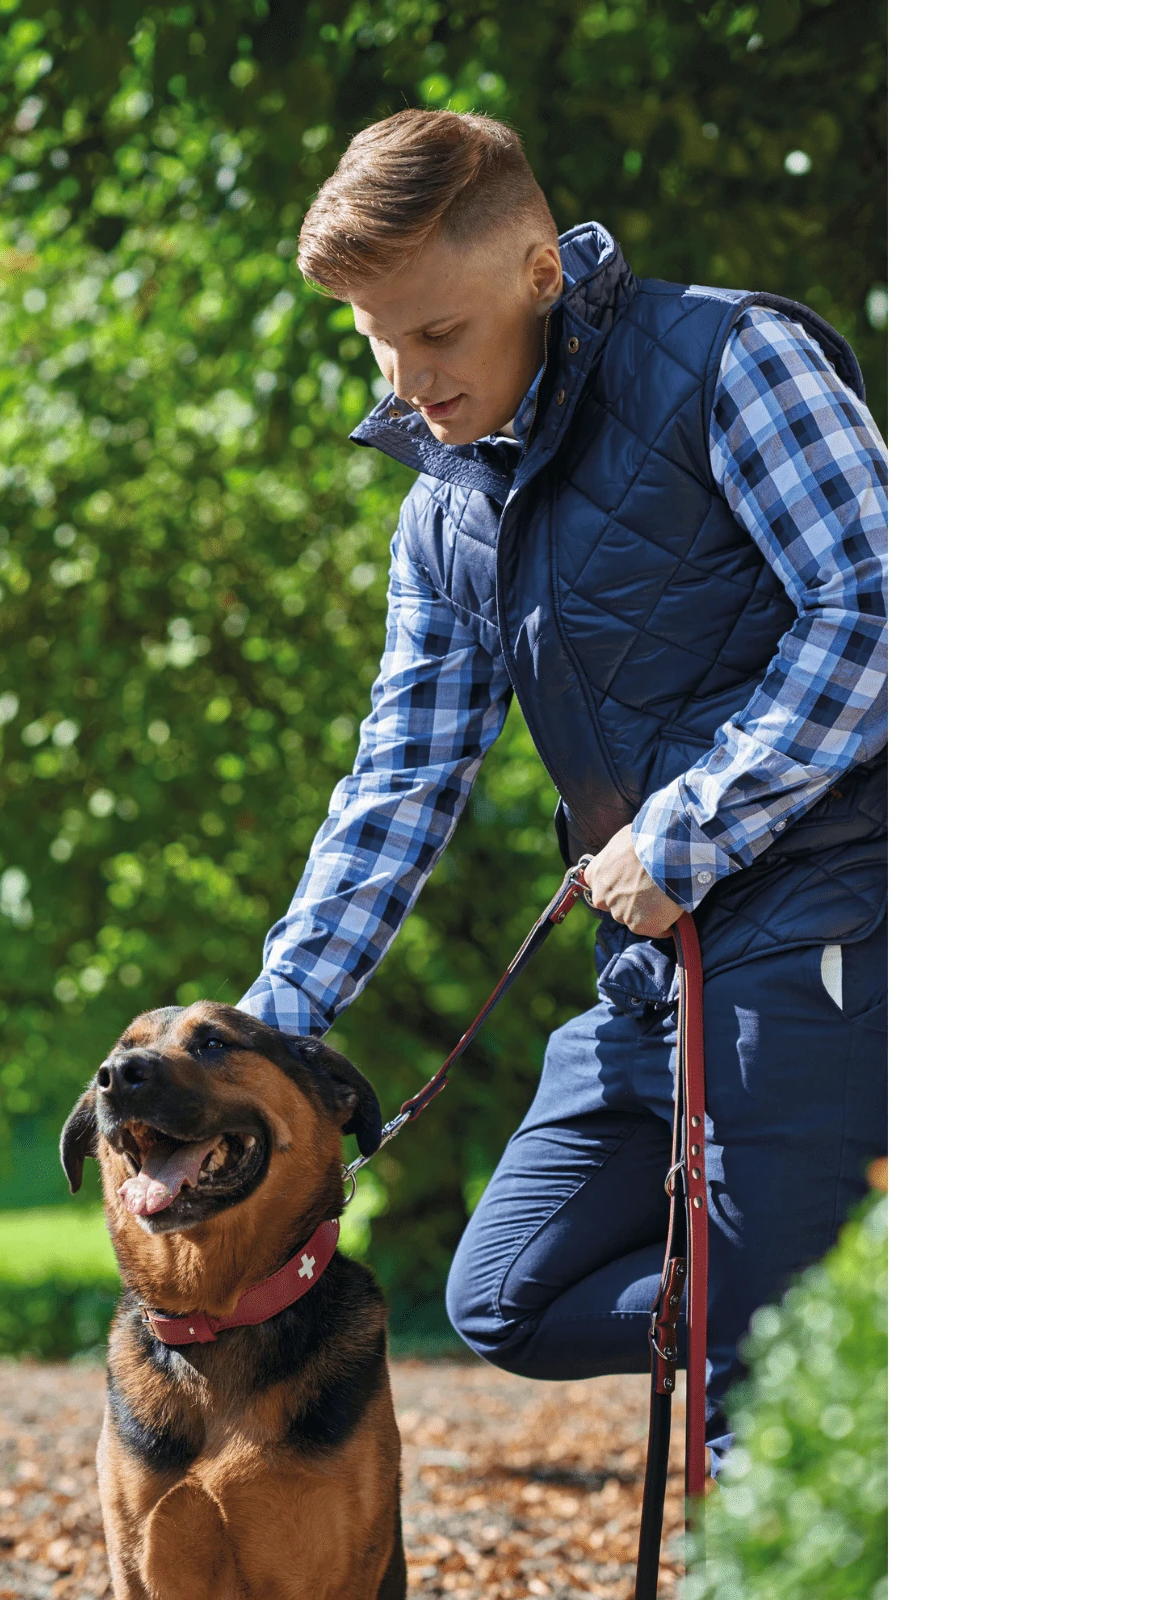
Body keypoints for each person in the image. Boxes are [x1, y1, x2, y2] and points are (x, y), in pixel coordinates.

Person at [235, 109, 887, 1470]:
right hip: (648, 974)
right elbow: (403, 775)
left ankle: (810, 1331)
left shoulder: (729, 359)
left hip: (828, 928)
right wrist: (267, 1030)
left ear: (540, 271)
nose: (408, 378)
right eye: (376, 340)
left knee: (750, 1416)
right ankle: (833, 1306)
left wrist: (688, 831)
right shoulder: (447, 511)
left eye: (438, 333)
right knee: (504, 1295)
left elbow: (879, 608)